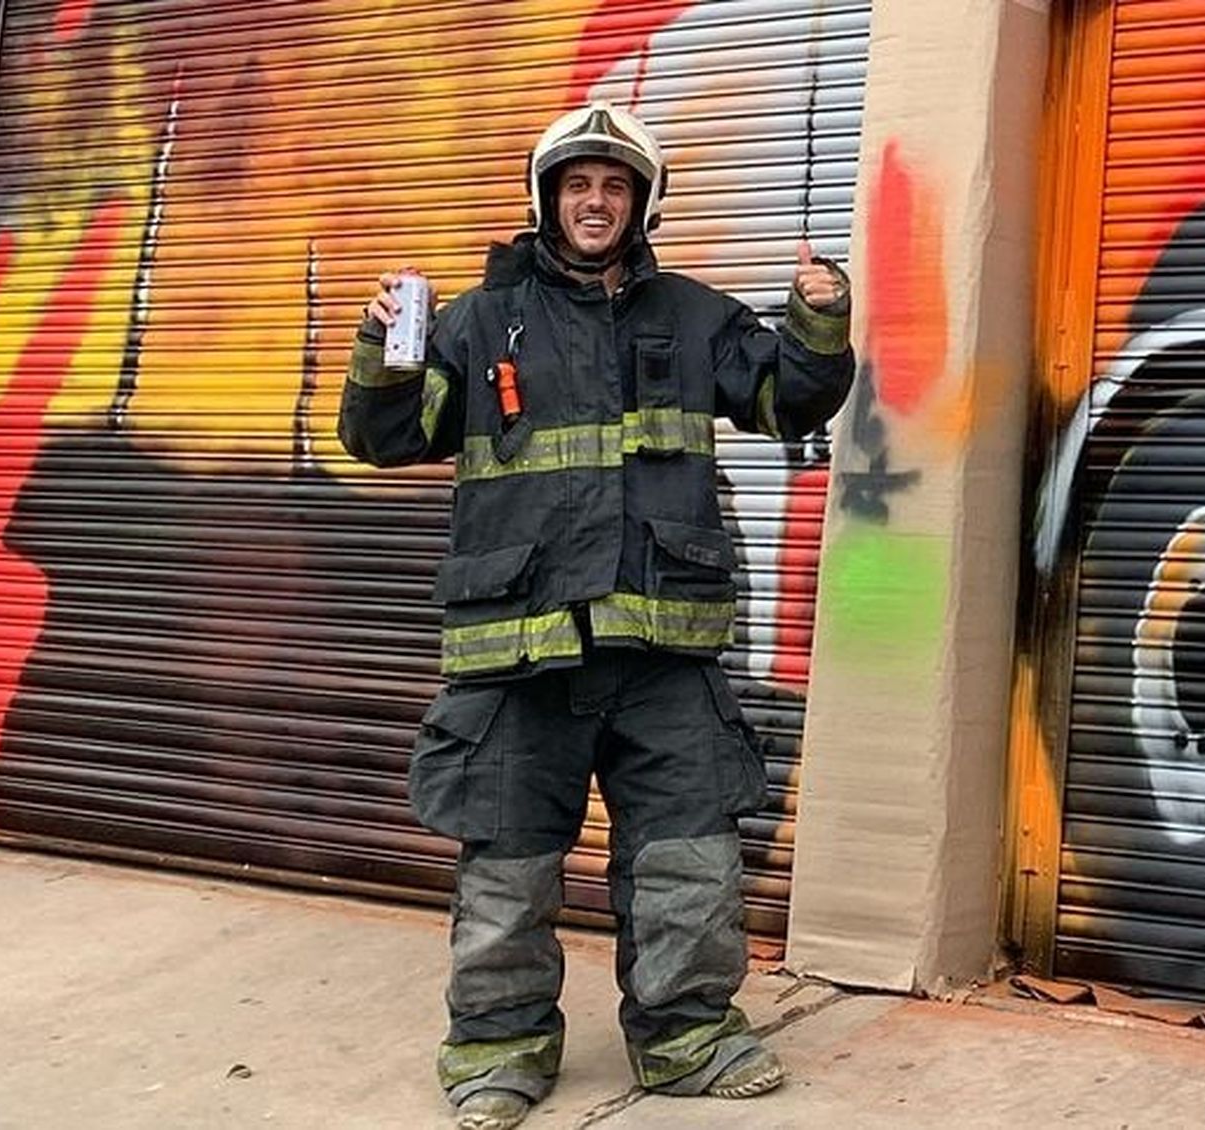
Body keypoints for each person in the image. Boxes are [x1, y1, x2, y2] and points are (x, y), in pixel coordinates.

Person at [338, 101, 854, 1130]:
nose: (595, 200)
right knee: (509, 861)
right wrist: (382, 348)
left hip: (662, 644)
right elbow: (386, 438)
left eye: (615, 185)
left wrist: (819, 316)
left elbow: (788, 399)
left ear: (640, 202)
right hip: (517, 646)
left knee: (689, 856)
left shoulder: (698, 315)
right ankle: (497, 1048)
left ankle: (688, 1036)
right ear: (546, 198)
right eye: (578, 183)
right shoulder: (477, 323)